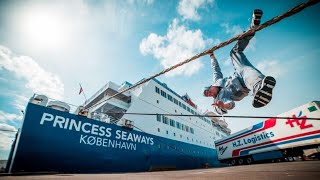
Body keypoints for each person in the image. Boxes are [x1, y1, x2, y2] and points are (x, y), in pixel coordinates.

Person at [203, 9, 276, 115]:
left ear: (211, 86)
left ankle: (252, 29)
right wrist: (223, 105)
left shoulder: (217, 81)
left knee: (235, 53)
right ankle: (258, 88)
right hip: (243, 86)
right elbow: (230, 104)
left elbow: (215, 69)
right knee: (247, 72)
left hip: (238, 74)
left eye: (209, 92)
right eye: (209, 95)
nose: (210, 94)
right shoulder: (220, 98)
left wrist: (211, 55)